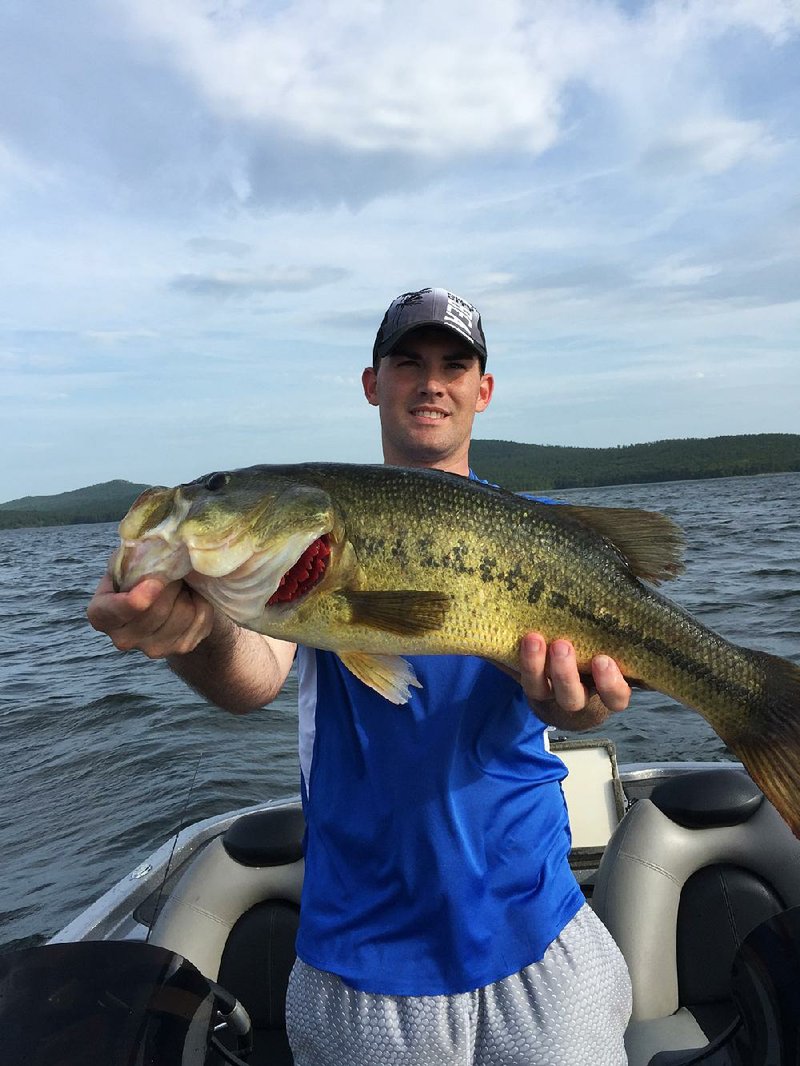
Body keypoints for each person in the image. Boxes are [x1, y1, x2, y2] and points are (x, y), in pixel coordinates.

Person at [88, 287, 633, 1065]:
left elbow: (593, 703)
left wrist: (586, 711)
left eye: (454, 364)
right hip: (365, 960)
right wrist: (198, 636)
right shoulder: (299, 570)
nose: (431, 381)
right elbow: (253, 678)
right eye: (407, 362)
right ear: (373, 382)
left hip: (539, 929)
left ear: (483, 391)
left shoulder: (543, 531)